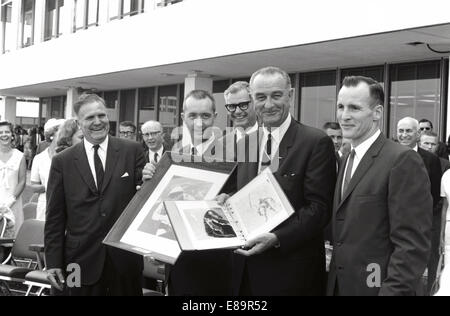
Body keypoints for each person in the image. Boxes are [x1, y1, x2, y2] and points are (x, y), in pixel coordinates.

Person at [218, 66, 337, 295]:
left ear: (290, 95)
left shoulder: (315, 142)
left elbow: (319, 209)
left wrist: (277, 238)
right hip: (245, 273)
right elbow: (242, 192)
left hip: (291, 274)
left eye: (276, 95)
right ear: (252, 99)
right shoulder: (246, 144)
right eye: (261, 97)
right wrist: (227, 199)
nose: (269, 104)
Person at [327, 76, 432, 296]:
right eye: (340, 106)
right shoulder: (348, 157)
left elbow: (411, 246)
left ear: (377, 113)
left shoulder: (401, 160)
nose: (344, 116)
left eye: (354, 108)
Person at [45, 94, 146, 296]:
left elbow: (144, 199)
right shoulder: (62, 162)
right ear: (79, 123)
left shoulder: (132, 151)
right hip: (77, 262)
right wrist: (53, 262)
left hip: (124, 261)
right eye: (90, 117)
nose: (98, 122)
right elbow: (54, 217)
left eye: (102, 115)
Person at [398, 117, 442, 294]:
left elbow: (435, 192)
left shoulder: (431, 160)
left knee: (423, 265)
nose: (404, 135)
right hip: (394, 221)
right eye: (401, 131)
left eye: (408, 131)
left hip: (422, 223)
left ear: (418, 134)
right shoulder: (387, 155)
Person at [30, 119, 65, 221]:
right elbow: (34, 186)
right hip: (44, 205)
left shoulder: (69, 156)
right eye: (61, 132)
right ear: (51, 135)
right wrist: (50, 186)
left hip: (65, 205)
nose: (64, 136)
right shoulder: (39, 158)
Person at [0, 121, 26, 236]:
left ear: (12, 135)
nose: (4, 135)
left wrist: (10, 201)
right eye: (0, 132)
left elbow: (22, 181)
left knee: (11, 242)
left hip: (13, 203)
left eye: (7, 131)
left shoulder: (19, 156)